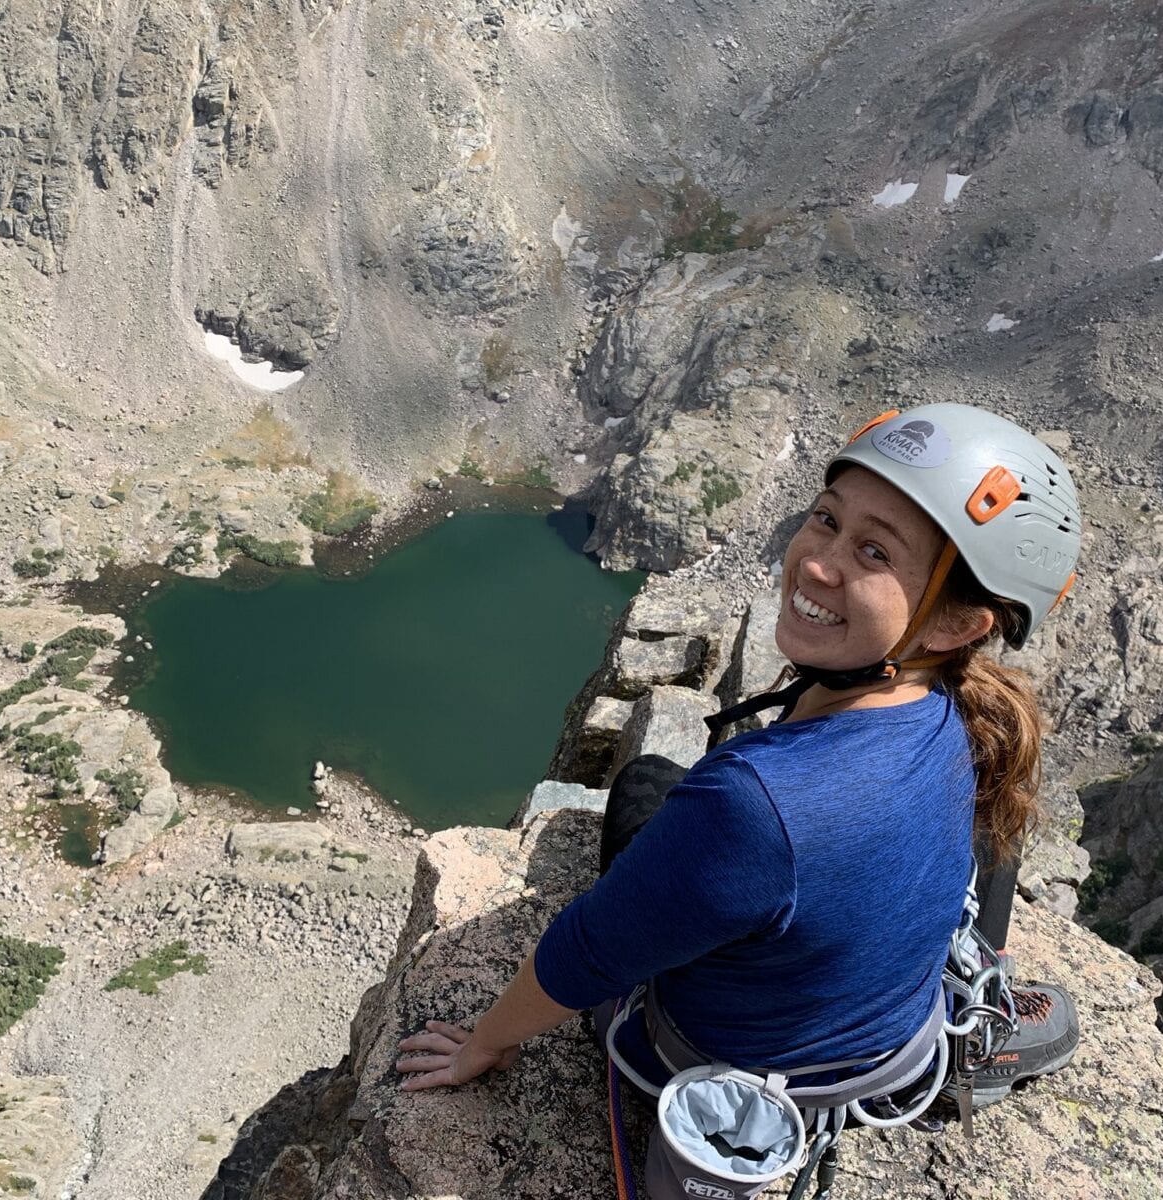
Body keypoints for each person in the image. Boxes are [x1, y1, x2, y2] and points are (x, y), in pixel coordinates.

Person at [395, 404, 1081, 1183]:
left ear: (955, 625)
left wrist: (485, 1041)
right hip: (897, 1042)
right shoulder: (959, 716)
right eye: (825, 518)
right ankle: (973, 1034)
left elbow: (589, 952)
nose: (818, 563)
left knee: (648, 785)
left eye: (873, 551)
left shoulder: (756, 804)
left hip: (725, 1056)